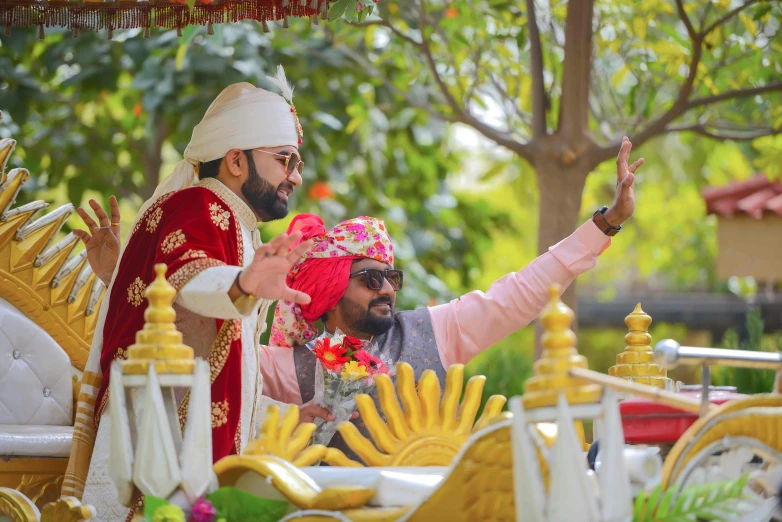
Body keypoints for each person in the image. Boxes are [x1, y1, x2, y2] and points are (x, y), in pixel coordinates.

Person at [259, 137, 643, 458]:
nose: (389, 289)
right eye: (372, 279)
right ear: (332, 285)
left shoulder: (431, 332)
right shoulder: (287, 366)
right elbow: (215, 383)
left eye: (392, 277)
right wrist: (289, 418)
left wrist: (605, 223)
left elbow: (519, 293)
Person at [63, 67, 330, 520]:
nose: (296, 177)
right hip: (157, 457)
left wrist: (284, 418)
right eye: (285, 159)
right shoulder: (202, 207)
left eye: (297, 163)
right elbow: (190, 283)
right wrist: (242, 284)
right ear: (236, 159)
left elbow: (217, 370)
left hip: (170, 448)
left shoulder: (229, 220)